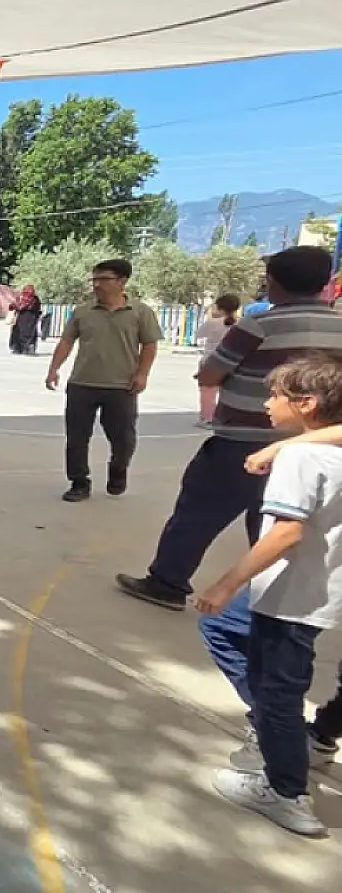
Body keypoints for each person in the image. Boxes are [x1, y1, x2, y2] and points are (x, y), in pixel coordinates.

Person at [117, 246, 342, 610]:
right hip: (317, 445)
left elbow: (211, 374)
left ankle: (167, 582)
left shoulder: (258, 325)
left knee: (198, 513)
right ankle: (274, 598)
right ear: (324, 282)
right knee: (279, 524)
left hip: (243, 442)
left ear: (272, 282)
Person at [192, 354, 342, 837]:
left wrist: (225, 581)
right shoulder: (312, 447)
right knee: (228, 629)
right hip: (327, 588)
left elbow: (285, 535)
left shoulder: (301, 458)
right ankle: (317, 737)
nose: (266, 404)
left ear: (306, 403)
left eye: (274, 396)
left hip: (295, 592)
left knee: (278, 688)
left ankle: (283, 790)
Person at [44, 259, 161, 502]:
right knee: (76, 438)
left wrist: (142, 374)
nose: (96, 285)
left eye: (103, 279)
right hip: (82, 383)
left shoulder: (140, 312)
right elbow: (67, 341)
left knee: (123, 439)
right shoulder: (83, 311)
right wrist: (54, 368)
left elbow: (149, 344)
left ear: (121, 281)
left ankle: (118, 470)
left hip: (121, 386)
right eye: (94, 279)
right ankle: (79, 482)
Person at [195, 294, 241, 425]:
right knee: (228, 391)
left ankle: (207, 417)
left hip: (211, 360)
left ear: (220, 308)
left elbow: (199, 335)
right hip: (234, 361)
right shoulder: (240, 323)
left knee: (207, 391)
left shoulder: (213, 323)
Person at [11, 284, 43, 355]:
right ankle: (28, 350)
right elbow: (38, 308)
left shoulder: (20, 297)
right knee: (30, 335)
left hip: (20, 319)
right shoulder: (35, 298)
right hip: (31, 320)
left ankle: (17, 349)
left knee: (18, 333)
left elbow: (13, 306)